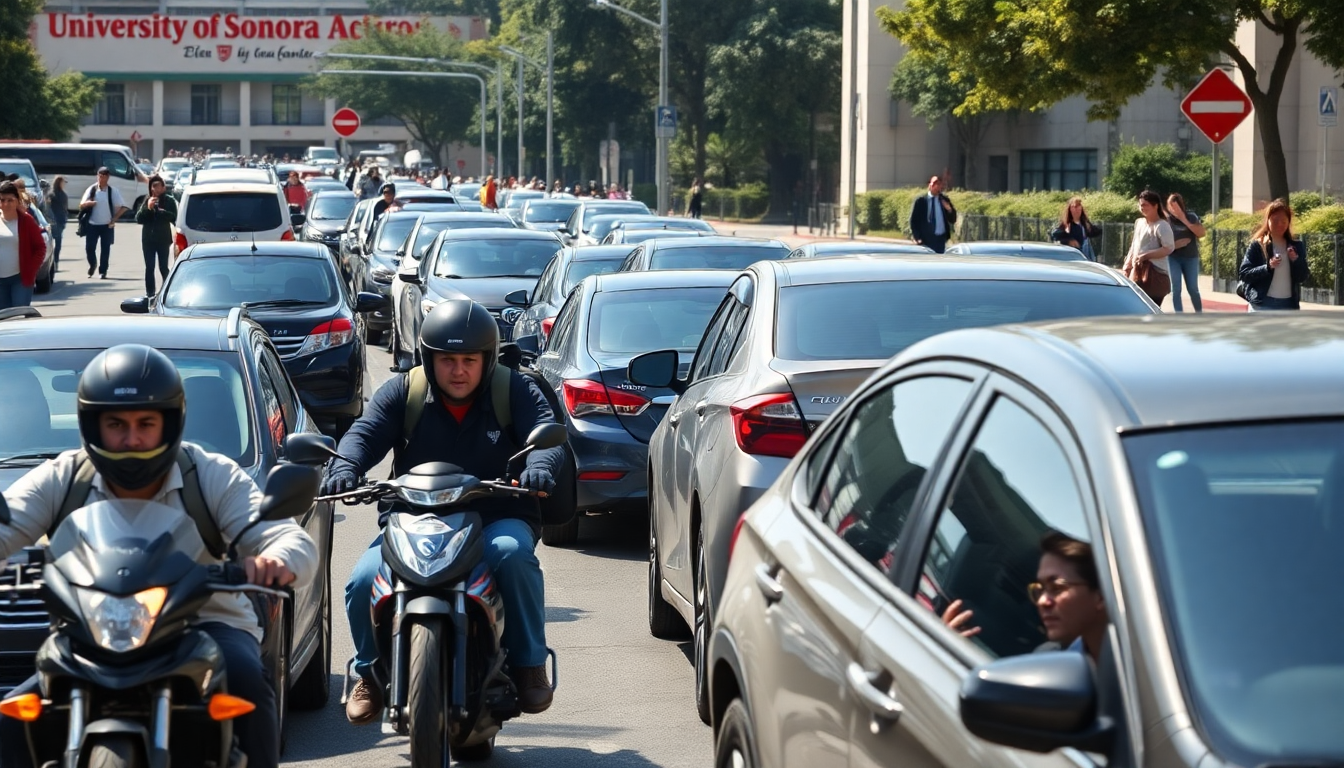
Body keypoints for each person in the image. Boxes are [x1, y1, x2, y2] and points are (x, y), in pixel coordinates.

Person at [0, 344, 316, 768]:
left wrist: (275, 560)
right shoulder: (65, 477)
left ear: (171, 422)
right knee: (14, 712)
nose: (131, 439)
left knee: (246, 685)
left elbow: (286, 537)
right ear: (91, 425)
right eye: (116, 424)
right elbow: (8, 521)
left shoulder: (210, 474)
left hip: (204, 622)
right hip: (90, 628)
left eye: (145, 423)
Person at [326, 300, 564, 725]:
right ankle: (369, 674)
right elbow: (364, 433)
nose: (458, 370)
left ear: (486, 359)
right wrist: (345, 466)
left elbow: (546, 437)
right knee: (363, 580)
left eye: (469, 360)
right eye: (448, 360)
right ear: (428, 358)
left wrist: (540, 468)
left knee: (511, 555)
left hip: (495, 513)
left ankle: (529, 664)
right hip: (414, 518)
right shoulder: (405, 391)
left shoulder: (514, 390)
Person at [941, 531, 1109, 663]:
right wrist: (947, 652)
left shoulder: (1132, 662)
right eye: (1040, 589)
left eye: (1057, 587)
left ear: (1101, 595)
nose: (1043, 601)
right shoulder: (1046, 662)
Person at [1238, 198, 1309, 311]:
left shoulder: (1297, 246)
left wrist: (1295, 260)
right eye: (1275, 221)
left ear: (1288, 222)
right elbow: (1244, 274)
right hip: (1262, 305)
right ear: (1268, 221)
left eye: (1283, 221)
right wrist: (1268, 266)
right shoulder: (1258, 245)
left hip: (1289, 305)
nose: (1279, 224)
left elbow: (1303, 276)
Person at [1123, 189, 1174, 305]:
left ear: (1155, 206)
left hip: (1155, 274)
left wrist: (1146, 256)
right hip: (1137, 273)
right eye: (1141, 205)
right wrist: (1127, 265)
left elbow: (1168, 248)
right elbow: (1134, 245)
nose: (1142, 208)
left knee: (1151, 309)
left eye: (1146, 205)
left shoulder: (1162, 225)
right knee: (1135, 307)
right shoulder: (1139, 222)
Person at [0, 181, 46, 309]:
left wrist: (32, 269)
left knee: (18, 315)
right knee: (3, 321)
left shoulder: (26, 221)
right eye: (2, 200)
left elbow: (40, 247)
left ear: (17, 200)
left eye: (10, 200)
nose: (5, 204)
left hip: (20, 279)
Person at [79, 166, 127, 279]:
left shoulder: (112, 191)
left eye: (104, 177)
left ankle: (103, 271)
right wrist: (89, 204)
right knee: (89, 248)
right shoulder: (92, 189)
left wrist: (114, 219)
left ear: (108, 177)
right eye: (100, 176)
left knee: (105, 249)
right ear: (97, 176)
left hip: (107, 225)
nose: (102, 179)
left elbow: (123, 207)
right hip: (92, 224)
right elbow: (81, 205)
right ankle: (92, 264)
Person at [134, 175, 177, 297]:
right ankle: (150, 292)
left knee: (163, 266)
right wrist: (148, 208)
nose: (155, 190)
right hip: (148, 240)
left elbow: (173, 216)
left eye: (158, 187)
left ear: (163, 188)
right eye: (153, 187)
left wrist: (160, 211)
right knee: (149, 267)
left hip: (163, 239)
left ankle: (167, 290)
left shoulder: (169, 200)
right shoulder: (147, 200)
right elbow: (138, 218)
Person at [908, 174, 957, 253]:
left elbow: (953, 219)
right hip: (925, 240)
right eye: (935, 184)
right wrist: (917, 237)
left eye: (939, 185)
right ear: (930, 185)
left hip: (940, 239)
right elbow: (913, 221)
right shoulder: (921, 201)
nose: (937, 187)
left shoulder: (944, 200)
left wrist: (949, 210)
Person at [1050, 197, 1101, 261]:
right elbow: (1055, 234)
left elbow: (1094, 233)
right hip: (1072, 256)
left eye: (1079, 206)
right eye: (1074, 207)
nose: (1077, 209)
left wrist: (1093, 229)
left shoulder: (1084, 222)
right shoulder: (1066, 223)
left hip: (1086, 254)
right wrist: (1069, 240)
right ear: (1070, 209)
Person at [46, 175, 68, 272]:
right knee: (56, 243)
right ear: (59, 183)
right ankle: (54, 263)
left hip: (59, 221)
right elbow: (48, 208)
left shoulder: (60, 194)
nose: (64, 184)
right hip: (56, 221)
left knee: (55, 244)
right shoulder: (54, 195)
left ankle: (54, 262)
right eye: (63, 182)